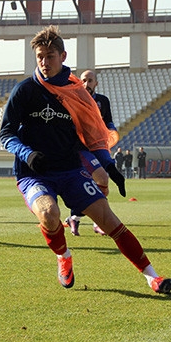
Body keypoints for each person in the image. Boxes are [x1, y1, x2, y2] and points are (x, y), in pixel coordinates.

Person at [0, 25, 171, 294]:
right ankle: (63, 256)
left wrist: (109, 166)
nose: (44, 62)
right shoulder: (25, 90)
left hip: (70, 169)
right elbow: (6, 134)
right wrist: (28, 154)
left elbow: (93, 137)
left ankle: (153, 277)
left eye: (50, 56)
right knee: (49, 214)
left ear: (63, 56)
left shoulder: (78, 92)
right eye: (40, 57)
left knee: (109, 221)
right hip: (34, 173)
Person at [64, 69, 119, 237]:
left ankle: (76, 218)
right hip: (80, 148)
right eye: (83, 80)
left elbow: (108, 121)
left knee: (99, 183)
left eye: (90, 80)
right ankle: (94, 221)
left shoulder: (103, 101)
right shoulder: (73, 99)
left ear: (96, 83)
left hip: (99, 148)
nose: (86, 84)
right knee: (97, 180)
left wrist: (112, 131)